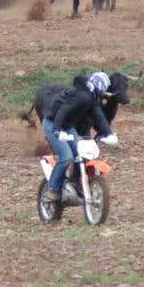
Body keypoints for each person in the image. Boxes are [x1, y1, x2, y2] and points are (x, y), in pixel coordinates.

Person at [41, 73, 117, 204]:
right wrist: (57, 130)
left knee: (79, 154)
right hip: (52, 124)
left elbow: (99, 116)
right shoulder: (83, 96)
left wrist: (108, 133)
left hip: (67, 126)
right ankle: (52, 190)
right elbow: (63, 109)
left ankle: (75, 183)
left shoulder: (91, 98)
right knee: (66, 157)